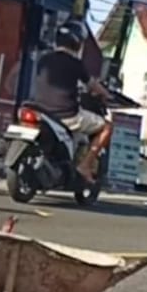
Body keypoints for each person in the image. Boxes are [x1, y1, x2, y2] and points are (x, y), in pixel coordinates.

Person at [33, 19, 112, 182]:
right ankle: (85, 165)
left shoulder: (44, 60)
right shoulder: (76, 64)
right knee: (107, 127)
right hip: (67, 116)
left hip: (41, 112)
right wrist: (106, 94)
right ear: (77, 43)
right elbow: (92, 85)